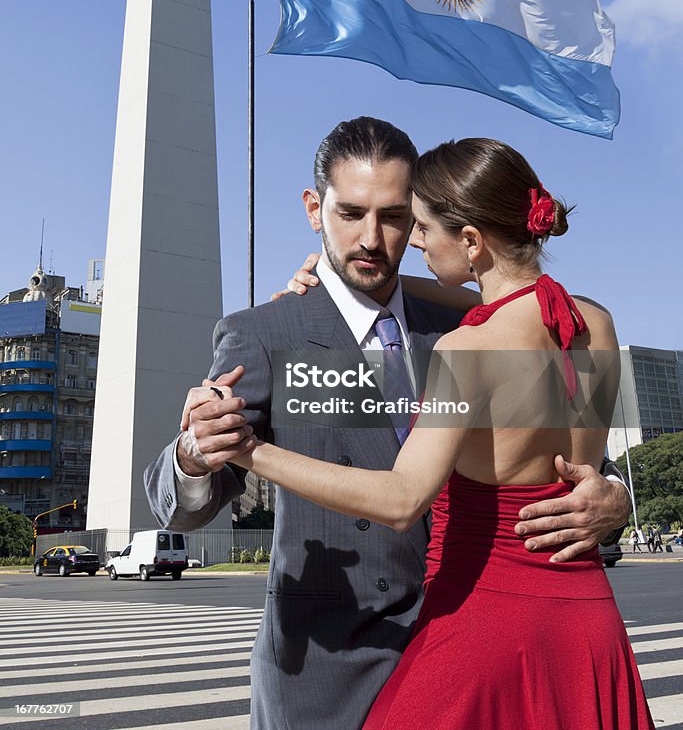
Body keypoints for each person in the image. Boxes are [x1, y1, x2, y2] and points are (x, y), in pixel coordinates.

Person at [144, 119, 631, 730]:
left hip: (470, 634)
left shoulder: (461, 331)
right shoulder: (269, 333)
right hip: (330, 662)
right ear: (315, 209)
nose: (375, 238)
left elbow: (567, 474)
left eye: (404, 220)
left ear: (461, 235)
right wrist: (196, 453)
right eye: (351, 214)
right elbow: (185, 505)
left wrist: (614, 497)